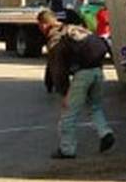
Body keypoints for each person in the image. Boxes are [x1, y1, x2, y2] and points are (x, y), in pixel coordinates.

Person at [36, 9, 114, 159]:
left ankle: (67, 149)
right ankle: (105, 133)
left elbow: (58, 69)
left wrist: (64, 92)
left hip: (82, 74)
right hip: (97, 70)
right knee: (95, 107)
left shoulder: (56, 38)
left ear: (44, 25)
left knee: (68, 114)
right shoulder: (75, 29)